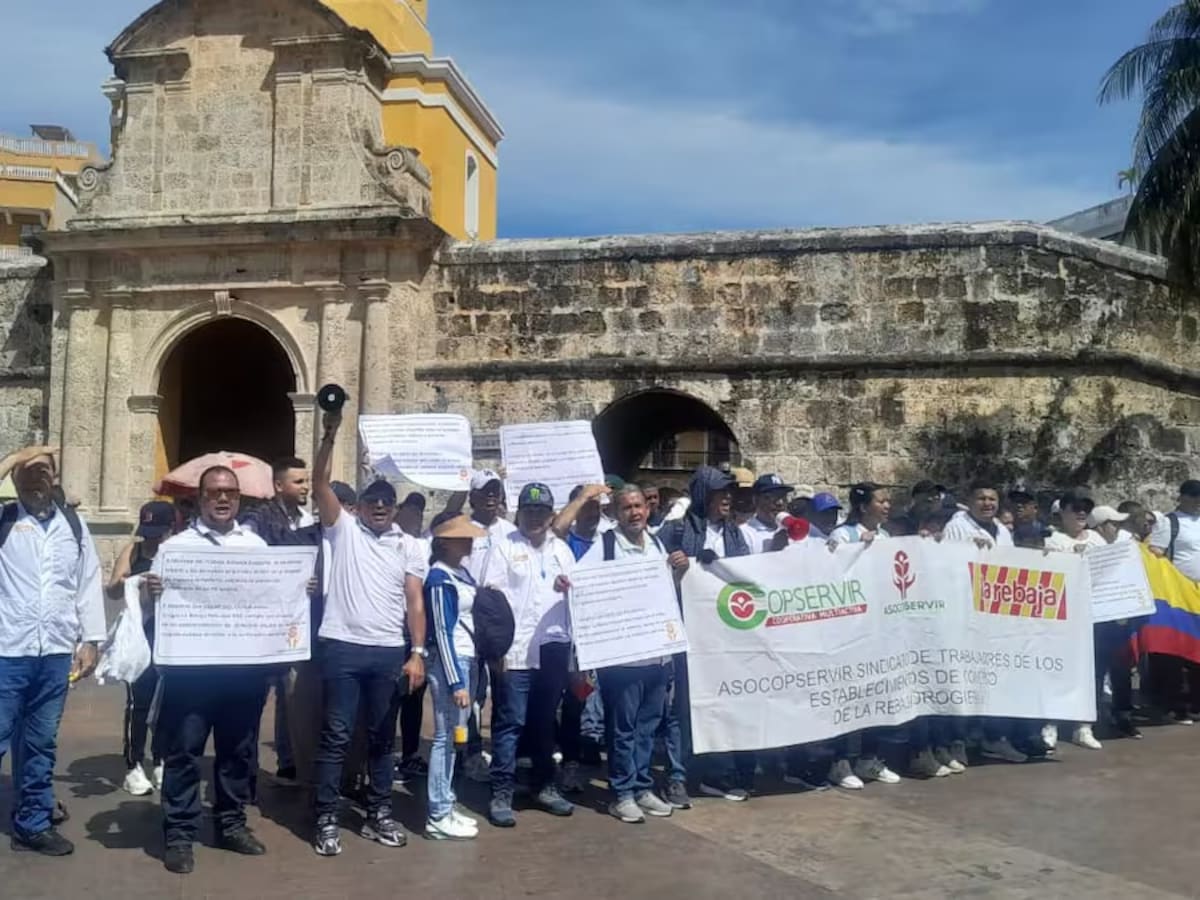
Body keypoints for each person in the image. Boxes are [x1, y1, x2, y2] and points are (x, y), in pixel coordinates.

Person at [310, 409, 429, 858]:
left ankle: (379, 812)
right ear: (357, 505)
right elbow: (321, 483)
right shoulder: (341, 530)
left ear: (395, 508)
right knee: (337, 735)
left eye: (386, 501)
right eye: (371, 500)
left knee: (383, 738)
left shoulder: (409, 545)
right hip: (342, 646)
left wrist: (416, 651)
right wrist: (329, 434)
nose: (379, 507)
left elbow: (414, 600)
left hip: (387, 652)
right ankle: (325, 816)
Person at [146, 466, 275, 875]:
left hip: (242, 671)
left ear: (239, 499)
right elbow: (156, 610)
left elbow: (270, 599)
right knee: (185, 751)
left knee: (238, 751)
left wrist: (295, 589)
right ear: (200, 498)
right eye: (215, 492)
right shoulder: (175, 549)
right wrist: (154, 593)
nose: (223, 499)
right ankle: (180, 833)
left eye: (230, 493)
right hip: (192, 672)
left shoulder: (256, 547)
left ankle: (231, 824)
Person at [0, 447, 104, 857]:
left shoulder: (73, 527)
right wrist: (16, 457)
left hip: (56, 652)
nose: (34, 478)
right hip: (7, 649)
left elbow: (87, 583)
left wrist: (91, 640)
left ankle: (33, 822)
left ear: (55, 477)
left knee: (41, 742)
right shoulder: (6, 521)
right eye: (26, 472)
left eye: (43, 470)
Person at [580, 485, 689, 823]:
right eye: (626, 508)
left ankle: (642, 787)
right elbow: (580, 581)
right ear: (615, 512)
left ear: (647, 508)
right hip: (623, 658)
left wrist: (680, 570)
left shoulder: (656, 543)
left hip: (656, 655)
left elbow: (664, 592)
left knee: (647, 726)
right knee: (622, 729)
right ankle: (622, 793)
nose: (634, 513)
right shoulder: (606, 545)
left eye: (639, 506)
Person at [481, 482, 576, 827]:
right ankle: (501, 792)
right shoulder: (503, 548)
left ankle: (544, 785)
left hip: (554, 648)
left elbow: (578, 600)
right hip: (517, 652)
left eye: (542, 511)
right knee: (510, 723)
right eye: (529, 510)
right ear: (518, 513)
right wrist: (496, 652)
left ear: (551, 515)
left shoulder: (563, 551)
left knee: (544, 722)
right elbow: (490, 604)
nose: (535, 516)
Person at [659, 465, 753, 802]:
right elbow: (652, 576)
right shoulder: (676, 530)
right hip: (688, 636)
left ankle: (717, 772)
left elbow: (746, 577)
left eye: (729, 492)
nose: (728, 497)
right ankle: (678, 776)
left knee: (722, 704)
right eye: (719, 491)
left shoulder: (735, 535)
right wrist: (678, 568)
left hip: (726, 636)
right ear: (702, 494)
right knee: (683, 708)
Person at [242, 457, 319, 786]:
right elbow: (247, 561)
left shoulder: (308, 520)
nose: (306, 487)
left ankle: (289, 760)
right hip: (263, 622)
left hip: (296, 622)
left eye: (306, 481)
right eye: (299, 482)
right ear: (278, 485)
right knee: (254, 697)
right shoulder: (257, 519)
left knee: (291, 693)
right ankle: (245, 769)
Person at [941, 479, 1028, 765]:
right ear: (970, 500)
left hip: (996, 616)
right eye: (981, 499)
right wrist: (971, 551)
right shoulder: (958, 527)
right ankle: (957, 741)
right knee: (965, 681)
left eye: (992, 498)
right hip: (965, 615)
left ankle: (993, 738)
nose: (988, 504)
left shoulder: (1002, 530)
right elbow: (951, 568)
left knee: (995, 682)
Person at [423, 512, 487, 840]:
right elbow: (441, 632)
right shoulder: (438, 578)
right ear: (445, 542)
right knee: (445, 738)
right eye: (463, 537)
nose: (470, 541)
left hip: (468, 659)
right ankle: (437, 812)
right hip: (452, 663)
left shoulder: (460, 572)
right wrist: (456, 681)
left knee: (455, 735)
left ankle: (446, 802)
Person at [107, 500, 176, 797]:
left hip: (169, 634)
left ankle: (160, 759)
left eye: (157, 532)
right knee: (139, 701)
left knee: (167, 702)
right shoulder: (133, 551)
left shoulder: (175, 552)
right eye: (147, 532)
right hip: (139, 634)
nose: (151, 539)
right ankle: (133, 764)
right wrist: (130, 581)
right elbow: (111, 590)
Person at [551, 482, 612, 789]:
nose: (593, 513)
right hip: (568, 637)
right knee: (565, 703)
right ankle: (559, 763)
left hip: (601, 635)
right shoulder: (565, 542)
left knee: (586, 701)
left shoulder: (608, 540)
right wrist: (581, 496)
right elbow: (557, 528)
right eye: (587, 507)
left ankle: (577, 759)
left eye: (596, 507)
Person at [1088, 505, 1142, 740]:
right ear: (1100, 526)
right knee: (1096, 672)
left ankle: (1123, 716)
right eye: (1114, 523)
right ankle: (1093, 719)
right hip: (1094, 621)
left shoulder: (1124, 547)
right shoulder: (1088, 548)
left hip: (1118, 620)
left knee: (1121, 670)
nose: (1118, 528)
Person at [393, 490, 432, 785]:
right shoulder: (390, 542)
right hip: (392, 632)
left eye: (419, 513)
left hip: (417, 634)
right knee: (389, 699)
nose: (415, 517)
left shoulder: (426, 545)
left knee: (414, 699)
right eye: (410, 511)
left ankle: (409, 755)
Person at [739, 474, 791, 554]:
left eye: (783, 497)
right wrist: (775, 551)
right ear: (755, 500)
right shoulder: (744, 534)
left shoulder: (795, 527)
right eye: (771, 497)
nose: (780, 503)